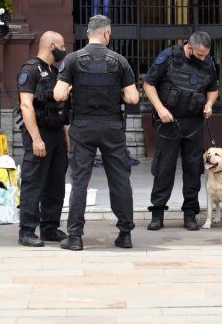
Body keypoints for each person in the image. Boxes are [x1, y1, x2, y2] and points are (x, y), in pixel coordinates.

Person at [53, 15, 140, 251]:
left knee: (80, 181)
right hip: (111, 127)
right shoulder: (119, 61)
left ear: (88, 33)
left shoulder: (72, 59)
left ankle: (75, 237)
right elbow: (133, 98)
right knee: (120, 180)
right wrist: (116, 93)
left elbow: (59, 95)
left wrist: (73, 87)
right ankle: (125, 233)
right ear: (107, 34)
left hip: (82, 127)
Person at [143, 31, 219, 231]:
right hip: (169, 121)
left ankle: (190, 214)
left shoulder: (208, 62)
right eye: (200, 54)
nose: (203, 58)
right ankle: (157, 213)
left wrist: (209, 104)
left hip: (194, 122)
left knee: (194, 168)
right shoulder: (168, 57)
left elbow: (213, 87)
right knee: (164, 168)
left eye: (206, 55)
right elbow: (148, 84)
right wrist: (160, 109)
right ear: (189, 47)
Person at [17, 31, 70, 247]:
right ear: (50, 46)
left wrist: (65, 136)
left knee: (55, 183)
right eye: (61, 45)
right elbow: (26, 105)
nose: (64, 50)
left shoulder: (55, 71)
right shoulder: (30, 70)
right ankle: (27, 231)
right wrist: (36, 139)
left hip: (56, 132)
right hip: (38, 133)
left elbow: (59, 107)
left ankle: (49, 228)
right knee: (33, 183)